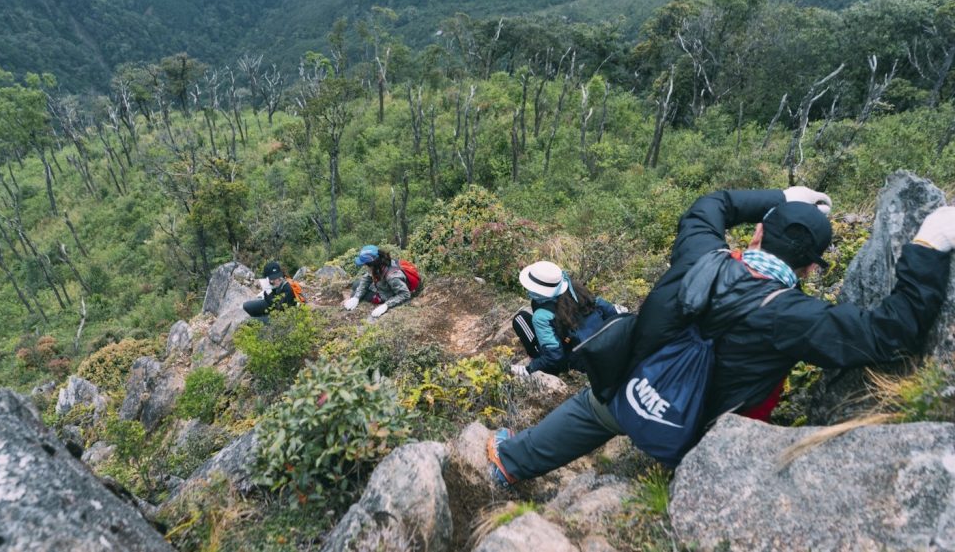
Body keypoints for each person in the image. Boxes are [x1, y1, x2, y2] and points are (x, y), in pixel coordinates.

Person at [487, 186, 954, 487]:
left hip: (630, 391)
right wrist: (928, 245)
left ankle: (511, 460)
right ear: (811, 268)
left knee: (594, 408)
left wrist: (782, 194)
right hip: (703, 437)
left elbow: (710, 205)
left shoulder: (699, 253)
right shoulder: (798, 317)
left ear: (755, 234)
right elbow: (891, 332)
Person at [511, 261, 624, 376]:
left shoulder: (542, 315)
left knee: (520, 319)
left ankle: (536, 358)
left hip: (580, 360)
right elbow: (610, 311)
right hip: (603, 346)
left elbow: (554, 358)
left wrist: (529, 369)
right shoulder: (575, 289)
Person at [342, 245, 412, 318]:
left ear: (372, 265)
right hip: (383, 285)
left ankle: (379, 299)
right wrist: (356, 297)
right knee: (356, 284)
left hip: (387, 294)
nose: (365, 266)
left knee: (354, 292)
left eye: (365, 264)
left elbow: (405, 294)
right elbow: (367, 278)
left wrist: (386, 305)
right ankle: (356, 297)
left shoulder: (392, 276)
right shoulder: (379, 264)